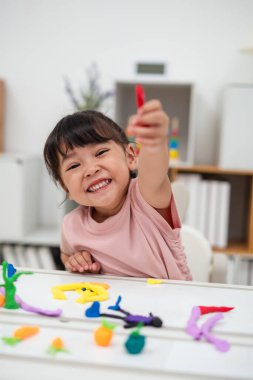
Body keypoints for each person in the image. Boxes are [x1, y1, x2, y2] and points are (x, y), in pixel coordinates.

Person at [43, 98, 192, 280]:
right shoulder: (72, 225)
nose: (91, 169)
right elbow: (66, 255)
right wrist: (74, 261)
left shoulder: (146, 198)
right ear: (66, 189)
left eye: (100, 153)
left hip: (173, 302)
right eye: (74, 165)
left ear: (130, 157)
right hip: (113, 306)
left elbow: (154, 170)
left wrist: (154, 142)